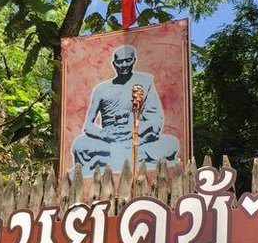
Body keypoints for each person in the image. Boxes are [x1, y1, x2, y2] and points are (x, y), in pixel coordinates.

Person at [70, 45, 179, 175]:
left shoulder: (145, 81)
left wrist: (133, 131)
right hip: (107, 141)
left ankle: (108, 160)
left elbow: (155, 119)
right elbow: (88, 126)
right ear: (114, 64)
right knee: (79, 145)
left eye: (128, 60)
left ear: (134, 60)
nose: (124, 65)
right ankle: (126, 159)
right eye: (120, 61)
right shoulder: (101, 89)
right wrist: (105, 135)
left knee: (171, 144)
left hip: (136, 140)